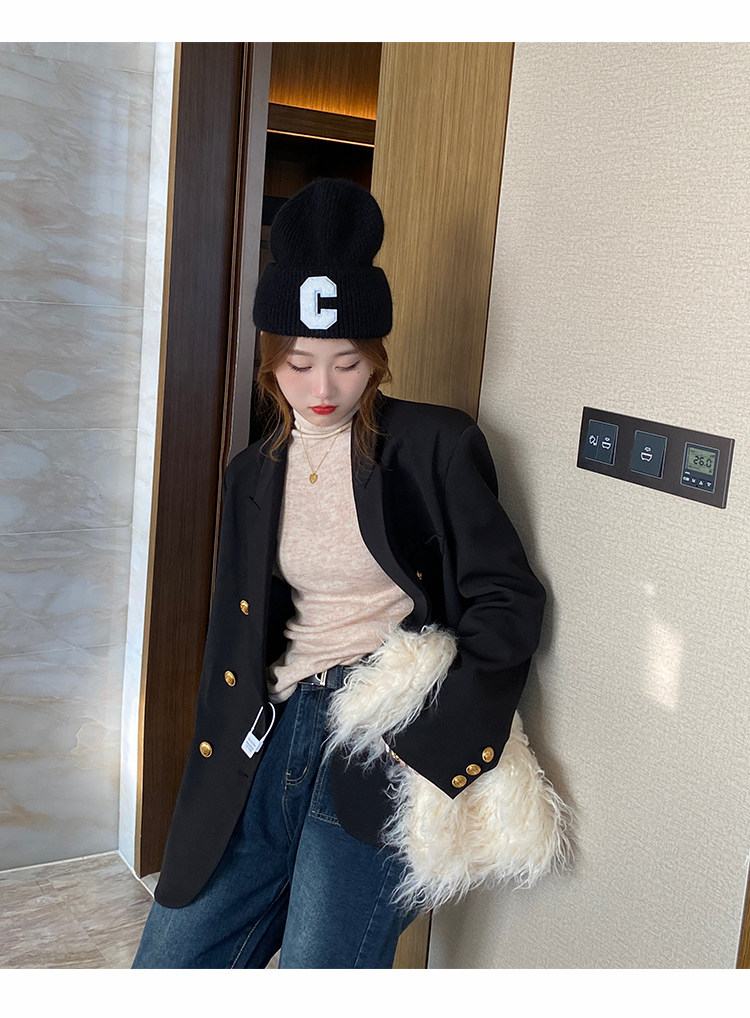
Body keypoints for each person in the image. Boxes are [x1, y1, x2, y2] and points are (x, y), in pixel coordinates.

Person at [132, 178, 551, 970]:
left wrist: (427, 743)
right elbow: (237, 638)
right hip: (267, 736)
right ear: (270, 363)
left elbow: (508, 601)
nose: (322, 390)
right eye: (298, 364)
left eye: (347, 363)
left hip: (375, 736)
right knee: (171, 963)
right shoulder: (251, 474)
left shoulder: (433, 446)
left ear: (376, 360)